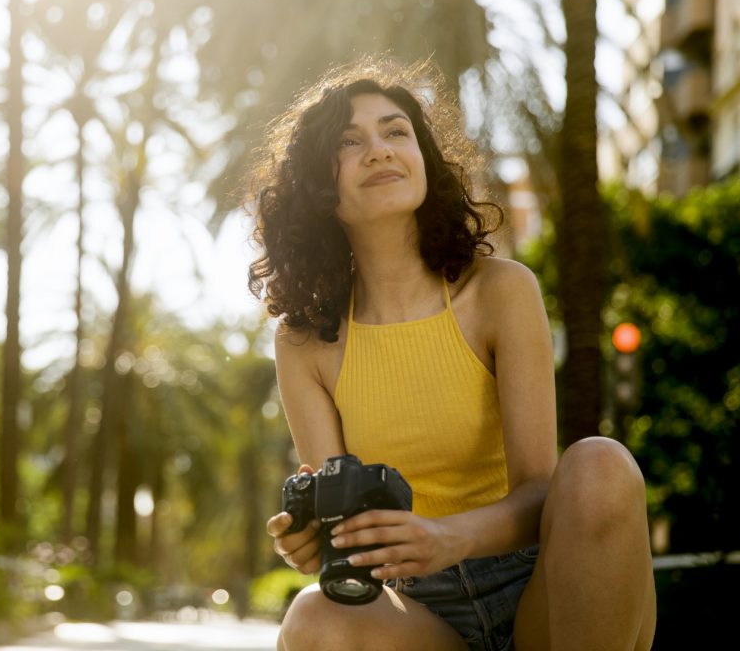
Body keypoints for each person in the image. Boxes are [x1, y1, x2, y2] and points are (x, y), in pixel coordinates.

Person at [247, 56, 656, 651]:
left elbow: (539, 490)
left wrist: (449, 537)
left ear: (423, 160)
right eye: (348, 142)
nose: (379, 151)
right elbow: (345, 532)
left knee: (601, 464)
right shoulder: (304, 342)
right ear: (317, 186)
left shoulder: (501, 291)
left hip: (542, 590)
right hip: (413, 612)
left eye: (395, 132)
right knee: (313, 617)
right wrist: (313, 541)